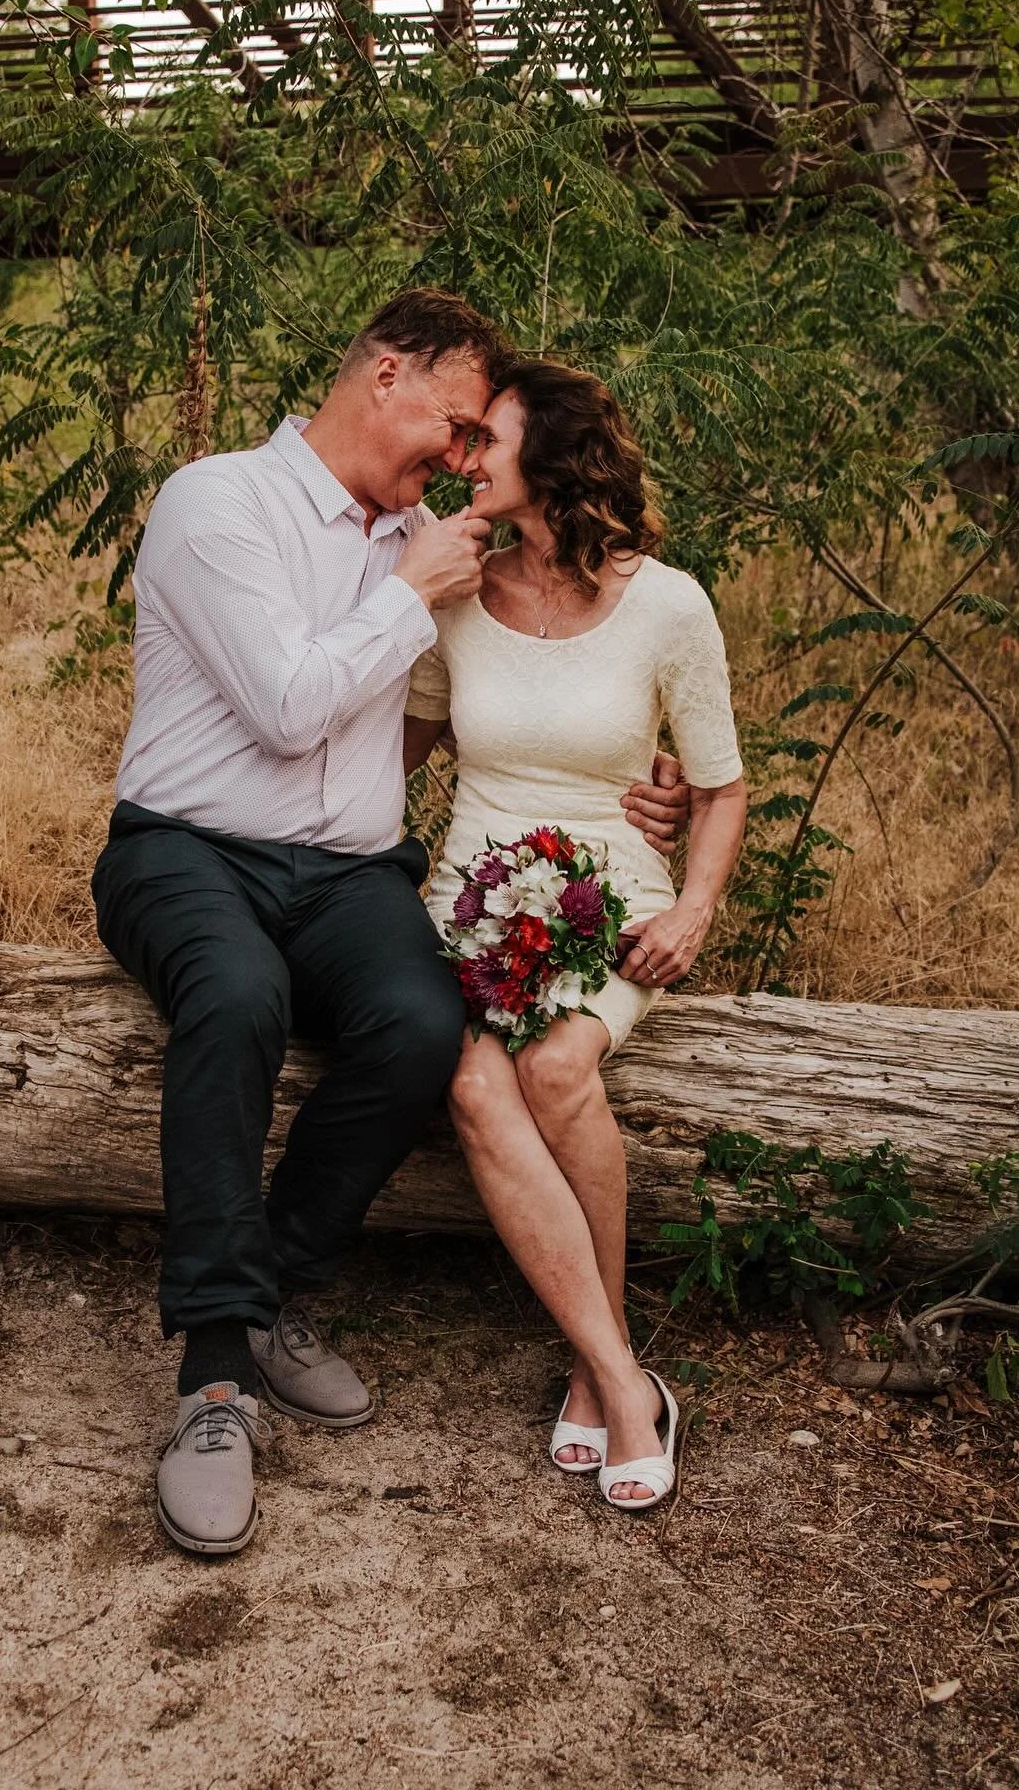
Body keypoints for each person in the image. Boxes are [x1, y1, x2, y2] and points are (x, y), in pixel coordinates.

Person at [91, 292, 691, 1556]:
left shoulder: (429, 543)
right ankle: (213, 1379)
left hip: (349, 872)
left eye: (479, 438)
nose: (464, 457)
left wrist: (643, 787)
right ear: (384, 379)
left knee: (424, 1027)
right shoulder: (220, 503)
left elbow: (497, 701)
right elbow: (286, 708)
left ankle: (276, 1292)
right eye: (455, 424)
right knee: (238, 996)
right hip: (188, 850)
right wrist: (409, 592)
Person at [404, 360, 747, 1512]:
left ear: (550, 455)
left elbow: (722, 787)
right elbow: (395, 749)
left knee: (556, 1068)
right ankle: (618, 1375)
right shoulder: (455, 588)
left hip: (614, 892)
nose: (464, 459)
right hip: (471, 899)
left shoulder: (669, 605)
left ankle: (603, 1377)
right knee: (471, 1082)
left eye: (486, 440)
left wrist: (692, 908)